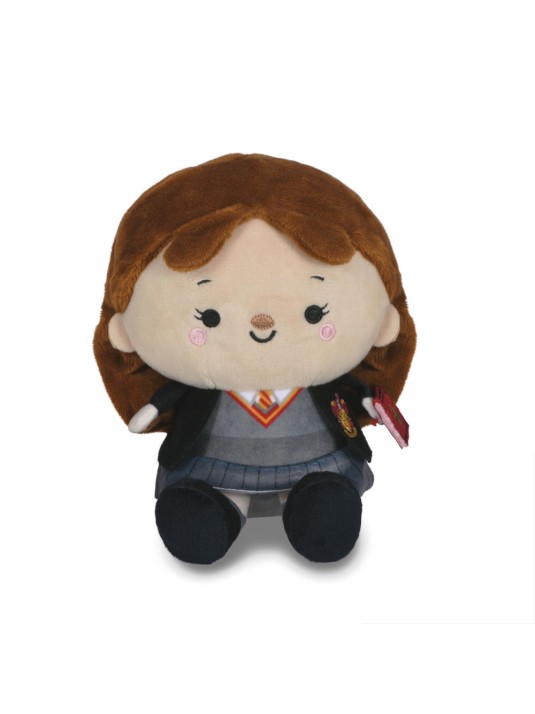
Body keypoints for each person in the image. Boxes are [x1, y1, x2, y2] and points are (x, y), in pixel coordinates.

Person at [94, 153, 416, 565]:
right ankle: (212, 511)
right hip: (214, 467)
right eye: (209, 316)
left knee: (325, 512)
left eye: (314, 313)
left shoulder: (327, 380)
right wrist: (153, 407)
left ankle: (319, 506)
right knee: (197, 521)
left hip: (317, 464)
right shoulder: (201, 386)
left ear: (386, 322)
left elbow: (355, 393)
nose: (263, 324)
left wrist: (370, 400)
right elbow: (168, 399)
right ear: (123, 330)